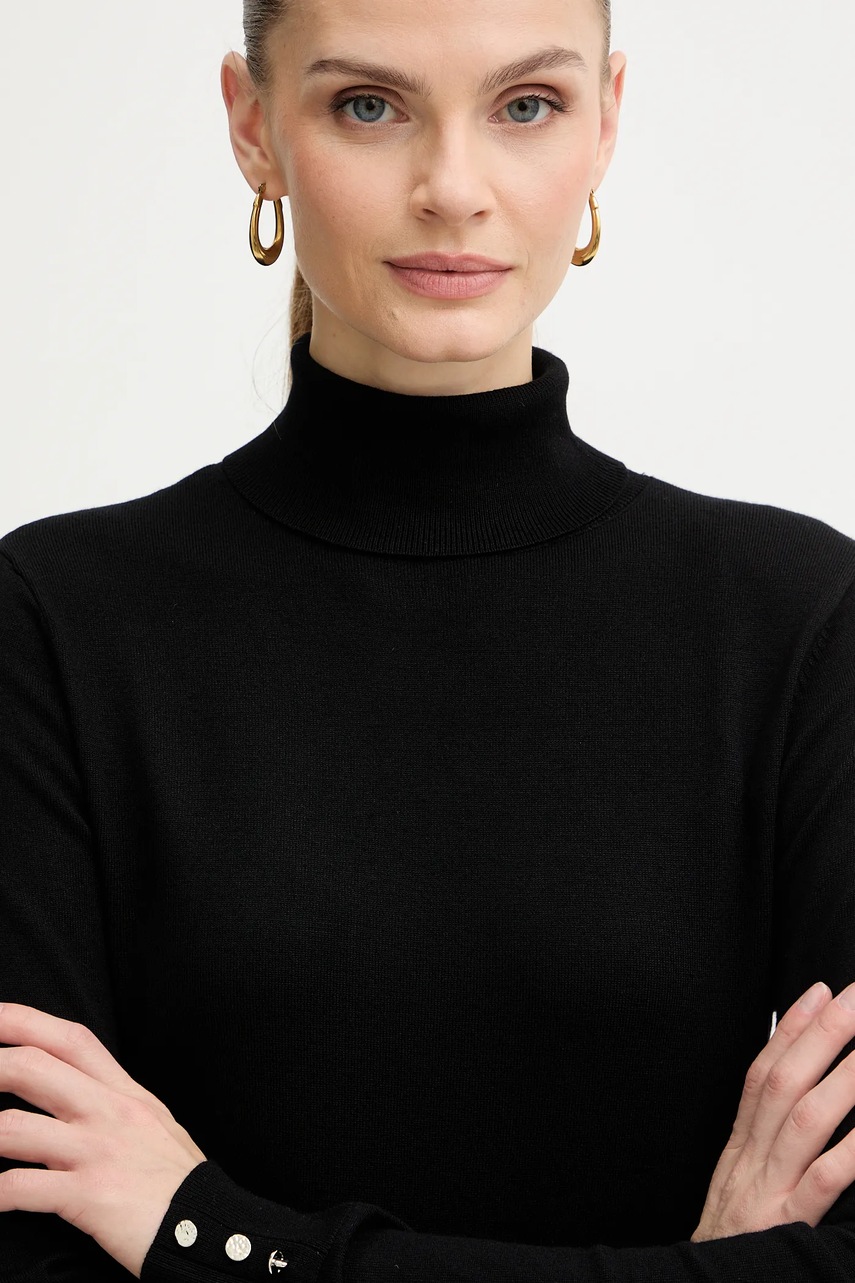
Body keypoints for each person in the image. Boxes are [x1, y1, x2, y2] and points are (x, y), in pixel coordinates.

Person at [1, 0, 854, 1279]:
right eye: (368, 105)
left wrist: (210, 1236)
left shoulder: (797, 620)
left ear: (605, 122)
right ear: (253, 127)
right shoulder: (53, 621)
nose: (453, 187)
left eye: (526, 106)